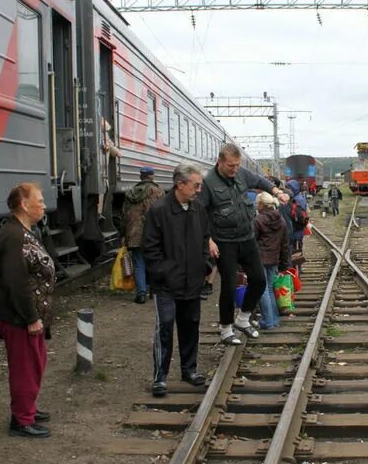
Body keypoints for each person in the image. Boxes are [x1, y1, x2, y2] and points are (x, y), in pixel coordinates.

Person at [199, 144, 289, 344]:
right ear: (220, 162)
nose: (234, 169)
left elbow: (259, 180)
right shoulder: (208, 183)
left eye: (237, 165)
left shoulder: (241, 174)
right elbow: (200, 214)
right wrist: (208, 240)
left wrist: (277, 191)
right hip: (224, 241)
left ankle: (243, 319)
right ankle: (225, 329)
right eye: (230, 165)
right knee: (229, 286)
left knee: (259, 280)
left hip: (246, 237)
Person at [0, 183, 56, 438]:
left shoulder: (25, 231)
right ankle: (21, 421)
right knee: (24, 368)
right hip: (20, 318)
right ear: (23, 204)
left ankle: (27, 407)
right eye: (38, 201)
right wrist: (31, 317)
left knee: (36, 363)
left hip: (30, 316)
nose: (43, 205)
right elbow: (16, 282)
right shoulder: (13, 236)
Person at [142, 163, 212, 397]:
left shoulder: (198, 210)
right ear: (180, 184)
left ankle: (189, 370)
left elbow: (204, 240)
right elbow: (150, 248)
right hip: (166, 285)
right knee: (165, 327)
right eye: (196, 185)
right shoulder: (159, 210)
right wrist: (162, 273)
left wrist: (205, 265)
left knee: (190, 326)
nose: (199, 190)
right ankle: (160, 377)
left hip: (192, 282)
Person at [123, 166, 165, 304]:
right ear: (152, 176)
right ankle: (153, 290)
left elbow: (125, 215)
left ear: (141, 176)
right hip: (152, 235)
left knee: (139, 263)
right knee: (153, 262)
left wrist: (124, 235)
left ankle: (141, 293)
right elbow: (162, 216)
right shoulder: (158, 192)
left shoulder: (130, 193)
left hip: (134, 234)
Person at [254, 192, 290, 330]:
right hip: (274, 260)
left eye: (257, 204)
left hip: (260, 259)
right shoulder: (281, 220)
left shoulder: (258, 221)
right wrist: (284, 265)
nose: (256, 206)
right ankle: (274, 320)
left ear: (262, 205)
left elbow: (251, 242)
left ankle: (268, 321)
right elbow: (285, 244)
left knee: (262, 290)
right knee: (269, 289)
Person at [285, 179, 310, 255]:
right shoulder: (298, 198)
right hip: (296, 229)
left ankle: (297, 267)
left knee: (296, 252)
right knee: (296, 251)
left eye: (289, 188)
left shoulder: (298, 200)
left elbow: (299, 216)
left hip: (296, 229)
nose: (287, 190)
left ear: (293, 189)